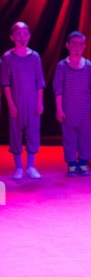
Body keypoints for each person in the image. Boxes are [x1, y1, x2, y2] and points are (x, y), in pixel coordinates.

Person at [1, 22, 45, 180]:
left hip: (32, 102)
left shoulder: (34, 57)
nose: (22, 37)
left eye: (25, 33)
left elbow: (39, 82)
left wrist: (39, 102)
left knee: (33, 133)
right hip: (16, 102)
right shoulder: (7, 57)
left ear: (29, 36)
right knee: (16, 133)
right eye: (18, 34)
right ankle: (18, 167)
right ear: (12, 37)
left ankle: (31, 166)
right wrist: (11, 104)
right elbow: (6, 83)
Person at [52, 31, 91, 177]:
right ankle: (72, 163)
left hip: (84, 109)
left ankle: (83, 162)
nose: (77, 47)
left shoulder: (89, 66)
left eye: (80, 44)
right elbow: (58, 89)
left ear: (84, 46)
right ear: (68, 45)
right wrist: (59, 109)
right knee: (69, 136)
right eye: (74, 44)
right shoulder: (62, 66)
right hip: (68, 108)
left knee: (85, 136)